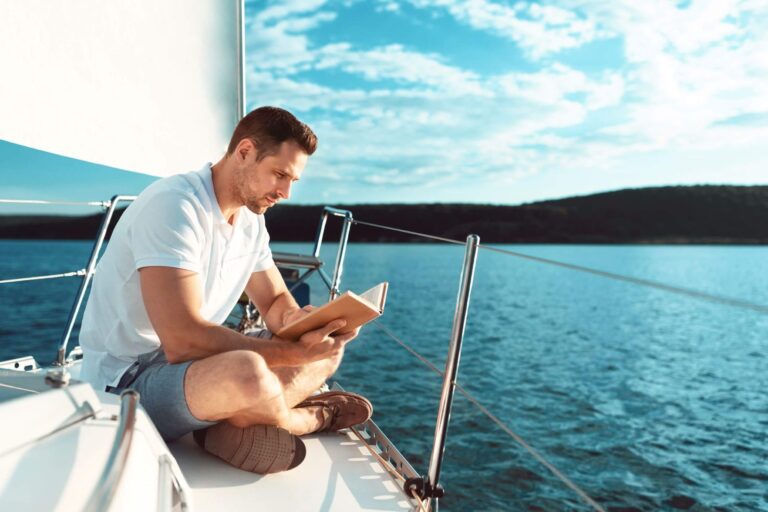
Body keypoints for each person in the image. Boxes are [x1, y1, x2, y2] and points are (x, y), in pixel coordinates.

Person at [78, 106, 372, 474]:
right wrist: (292, 354)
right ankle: (308, 418)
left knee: (327, 351)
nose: (285, 192)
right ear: (244, 151)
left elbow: (276, 302)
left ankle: (226, 422)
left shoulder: (250, 222)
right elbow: (182, 340)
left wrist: (310, 323)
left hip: (191, 370)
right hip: (126, 384)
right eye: (280, 174)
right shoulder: (175, 206)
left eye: (292, 180)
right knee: (247, 371)